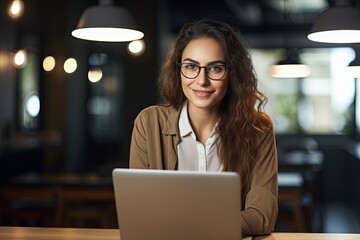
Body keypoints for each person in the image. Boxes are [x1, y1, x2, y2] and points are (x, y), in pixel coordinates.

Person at [129, 18, 278, 236]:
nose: (202, 80)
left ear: (231, 72)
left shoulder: (257, 129)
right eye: (191, 66)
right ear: (179, 70)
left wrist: (199, 228)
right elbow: (138, 210)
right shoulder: (148, 122)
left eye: (215, 68)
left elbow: (262, 215)